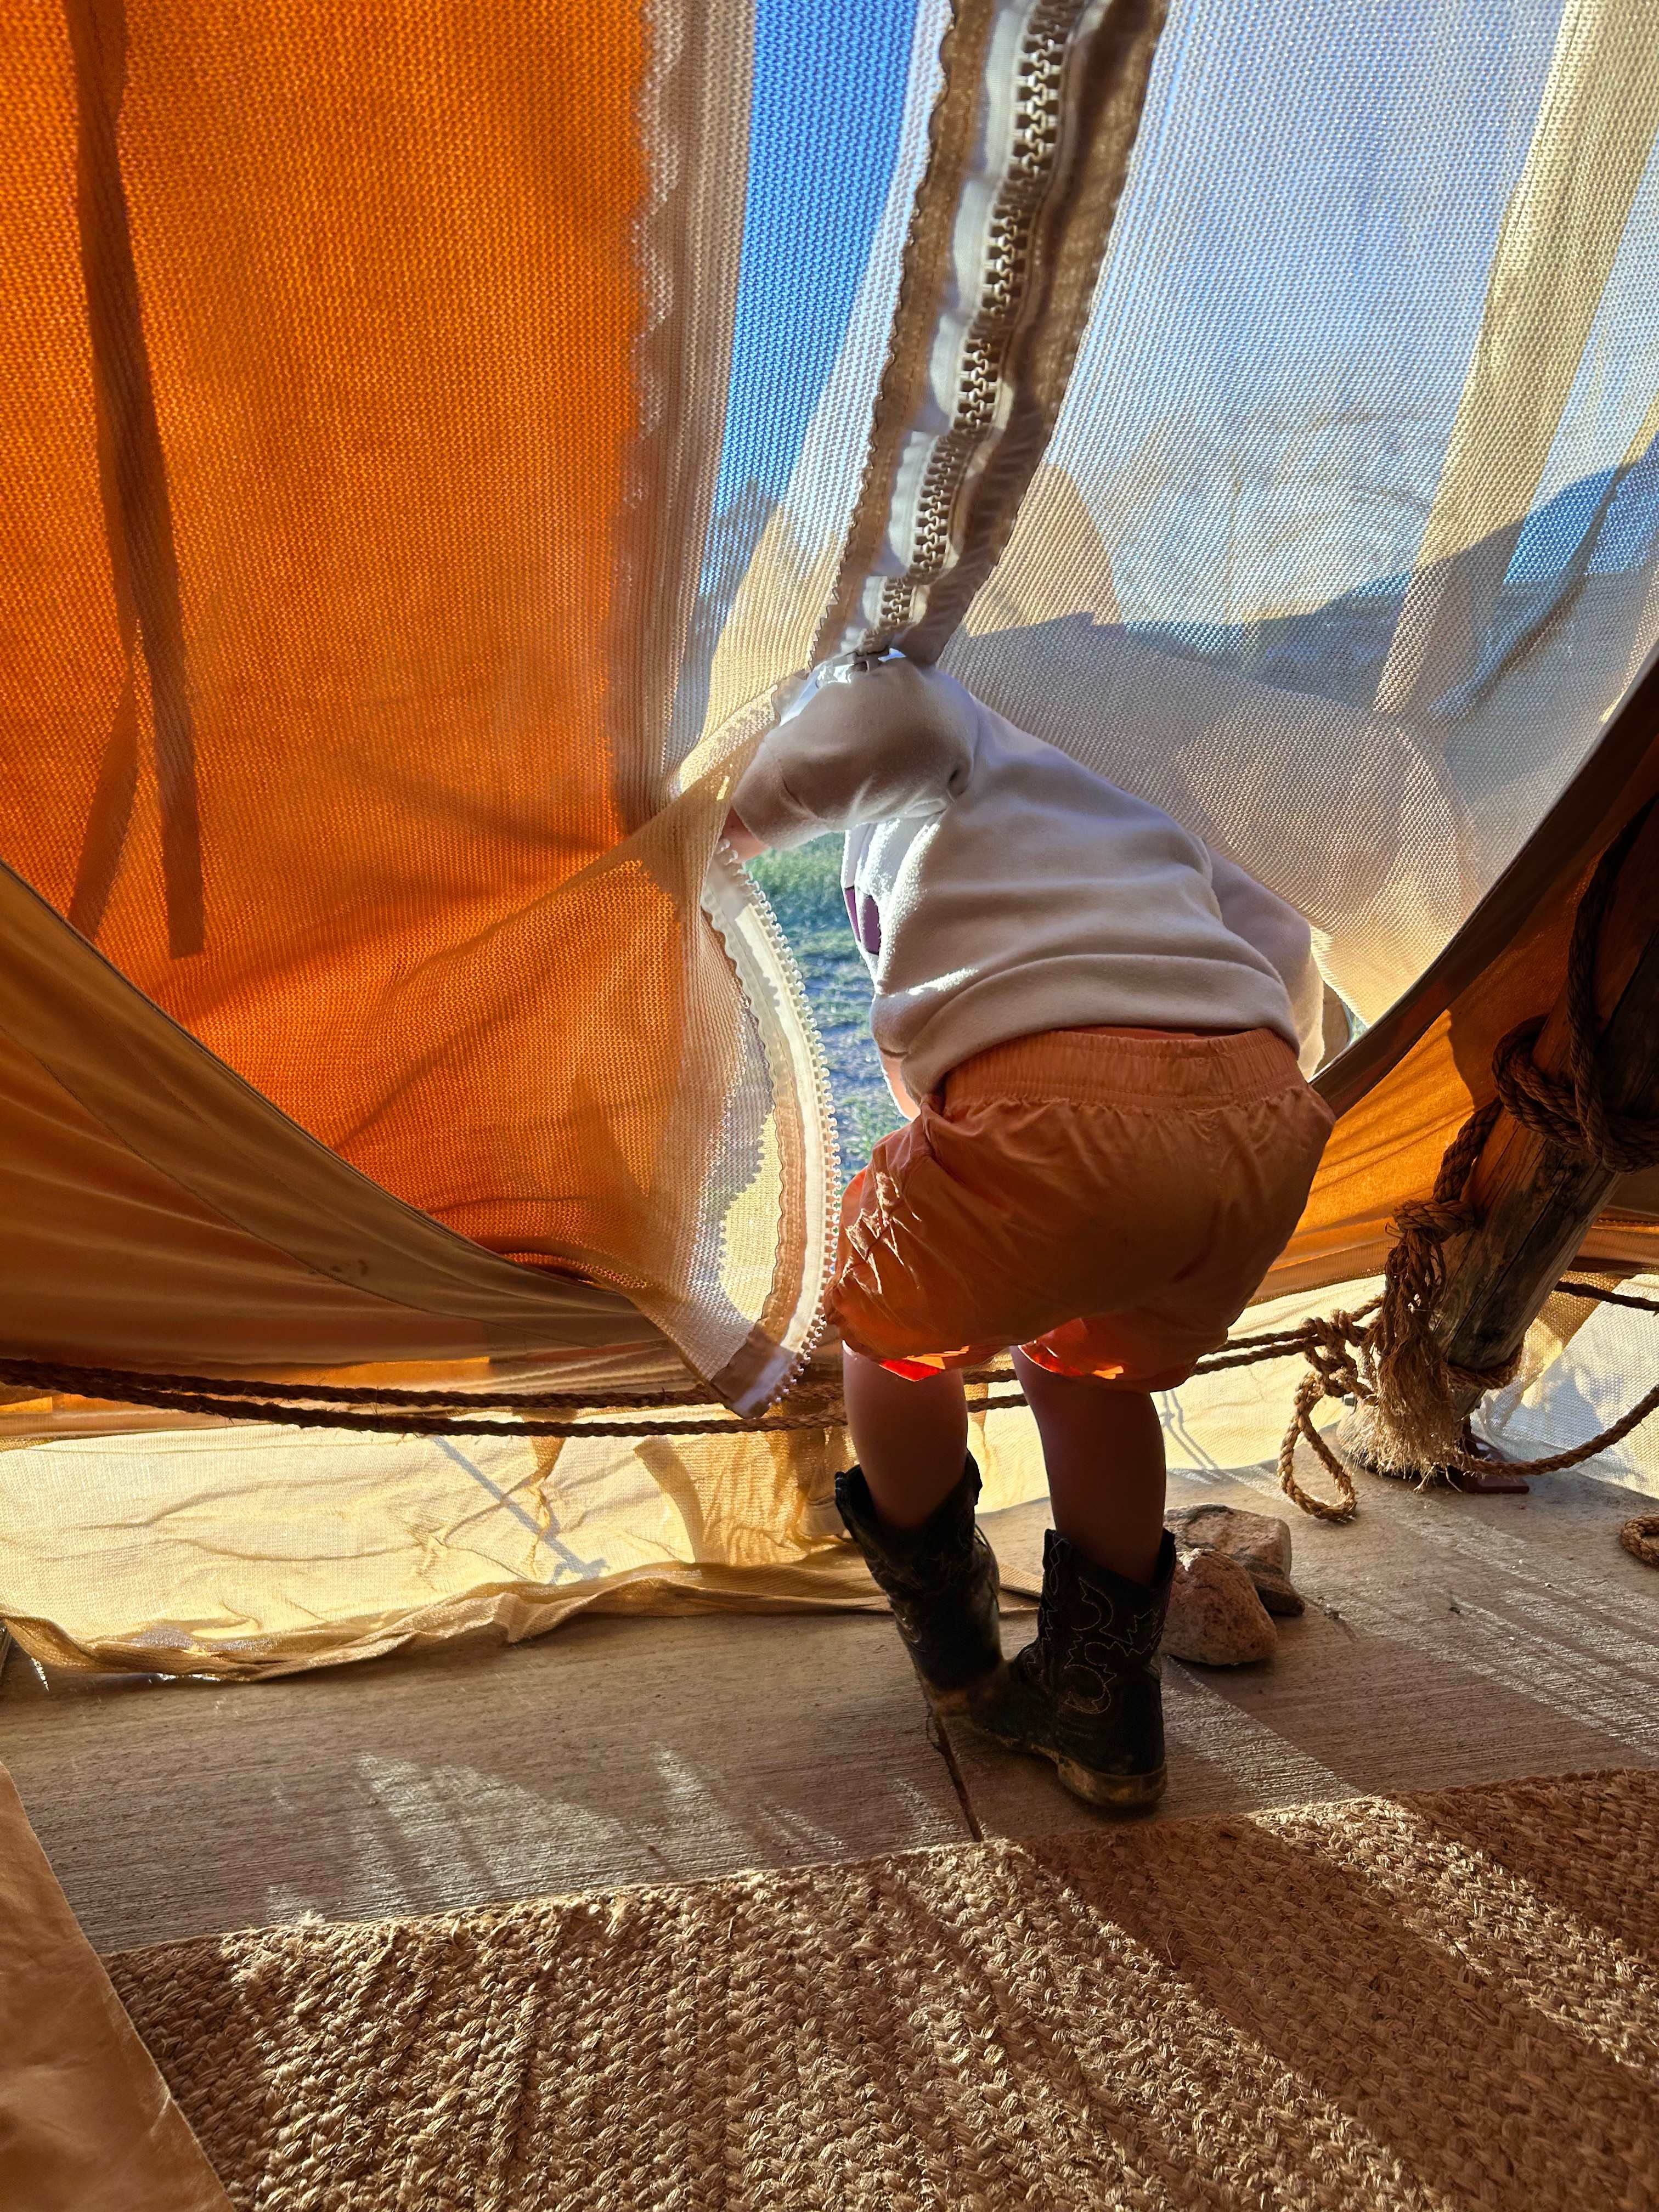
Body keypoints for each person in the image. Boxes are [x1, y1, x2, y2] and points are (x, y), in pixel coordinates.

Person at [724, 653, 1332, 1810]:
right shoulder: (1125, 763)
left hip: (1051, 1108)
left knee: (888, 1337)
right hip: (1261, 1115)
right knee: (1090, 1372)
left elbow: (887, 719)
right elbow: (1276, 933)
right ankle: (1105, 1713)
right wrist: (1232, 1077)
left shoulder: (940, 688)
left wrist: (724, 820)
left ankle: (951, 1638)